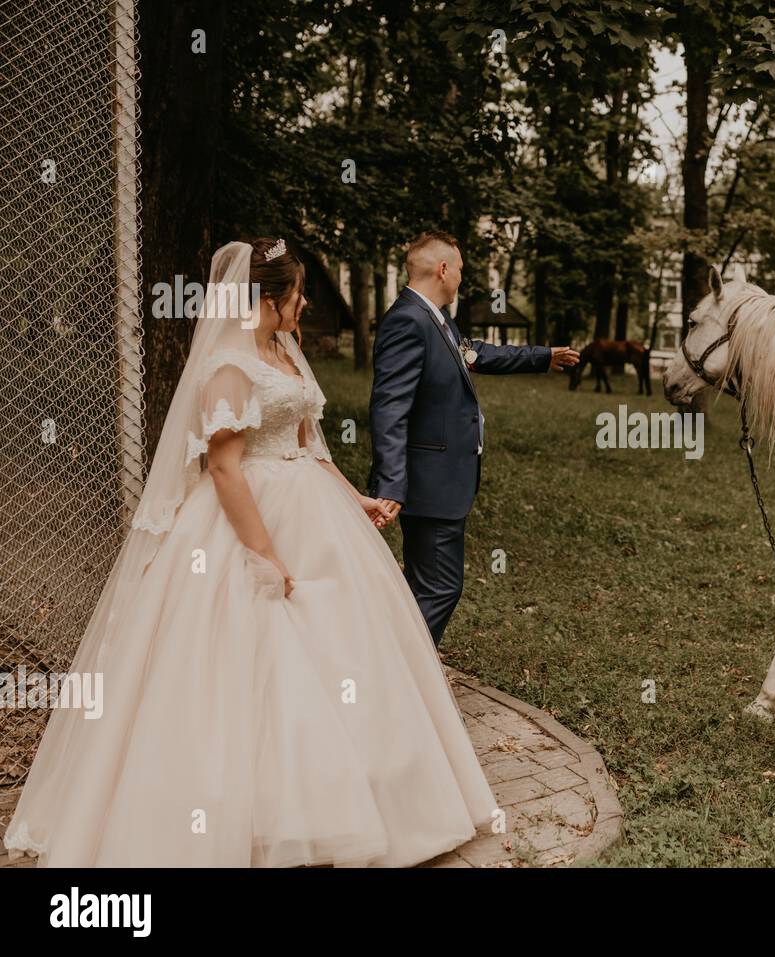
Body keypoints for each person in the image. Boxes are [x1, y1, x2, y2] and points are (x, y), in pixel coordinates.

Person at [5, 238, 497, 867]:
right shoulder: (229, 368)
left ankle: (361, 800)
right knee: (249, 661)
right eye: (298, 294)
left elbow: (309, 443)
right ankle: (249, 819)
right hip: (243, 524)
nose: (304, 305)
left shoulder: (282, 353)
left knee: (340, 651)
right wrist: (264, 553)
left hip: (314, 514)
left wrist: (358, 501)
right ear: (271, 298)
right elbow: (225, 468)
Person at [368, 230, 578, 646]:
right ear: (443, 269)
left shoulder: (436, 318)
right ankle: (398, 680)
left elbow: (476, 353)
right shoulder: (408, 321)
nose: (462, 278)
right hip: (428, 484)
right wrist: (392, 483)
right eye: (460, 269)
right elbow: (389, 407)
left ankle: (399, 675)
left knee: (425, 586)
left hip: (443, 480)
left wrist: (542, 356)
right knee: (440, 588)